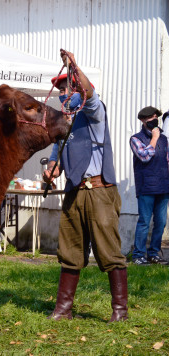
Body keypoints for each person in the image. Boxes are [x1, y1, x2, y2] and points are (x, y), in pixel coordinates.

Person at [43, 49, 128, 323]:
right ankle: (63, 310)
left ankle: (120, 312)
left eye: (68, 87)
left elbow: (90, 94)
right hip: (73, 192)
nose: (64, 93)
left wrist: (75, 68)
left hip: (100, 192)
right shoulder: (63, 124)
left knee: (110, 254)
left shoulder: (94, 112)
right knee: (69, 254)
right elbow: (58, 154)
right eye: (60, 90)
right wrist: (52, 169)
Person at [129, 106, 169, 265]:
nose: (155, 119)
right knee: (144, 221)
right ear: (143, 120)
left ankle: (154, 253)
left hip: (163, 186)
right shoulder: (135, 138)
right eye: (151, 117)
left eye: (156, 116)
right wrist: (154, 138)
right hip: (146, 187)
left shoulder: (164, 139)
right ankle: (138, 255)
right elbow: (145, 156)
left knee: (161, 222)